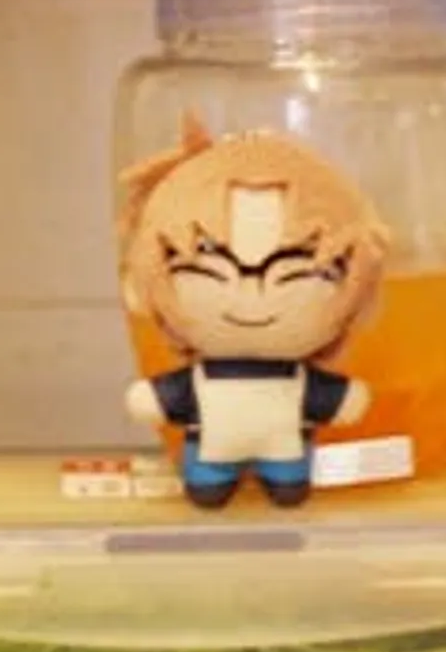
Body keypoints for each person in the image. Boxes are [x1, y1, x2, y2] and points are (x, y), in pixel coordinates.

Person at [117, 125, 388, 508]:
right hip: (210, 451)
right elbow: (165, 397)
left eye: (289, 271)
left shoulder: (297, 378)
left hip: (287, 452)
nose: (252, 293)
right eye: (215, 269)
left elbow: (331, 397)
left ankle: (284, 482)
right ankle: (215, 483)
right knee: (207, 489)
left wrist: (343, 399)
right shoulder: (201, 378)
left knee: (289, 487)